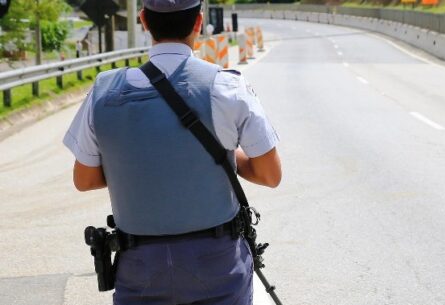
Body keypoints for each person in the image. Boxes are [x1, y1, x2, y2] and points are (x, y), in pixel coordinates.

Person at [62, 1, 282, 304]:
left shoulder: (104, 91)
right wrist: (223, 159)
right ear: (199, 22)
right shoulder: (227, 86)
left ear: (143, 21)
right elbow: (269, 174)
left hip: (139, 266)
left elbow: (84, 179)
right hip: (217, 264)